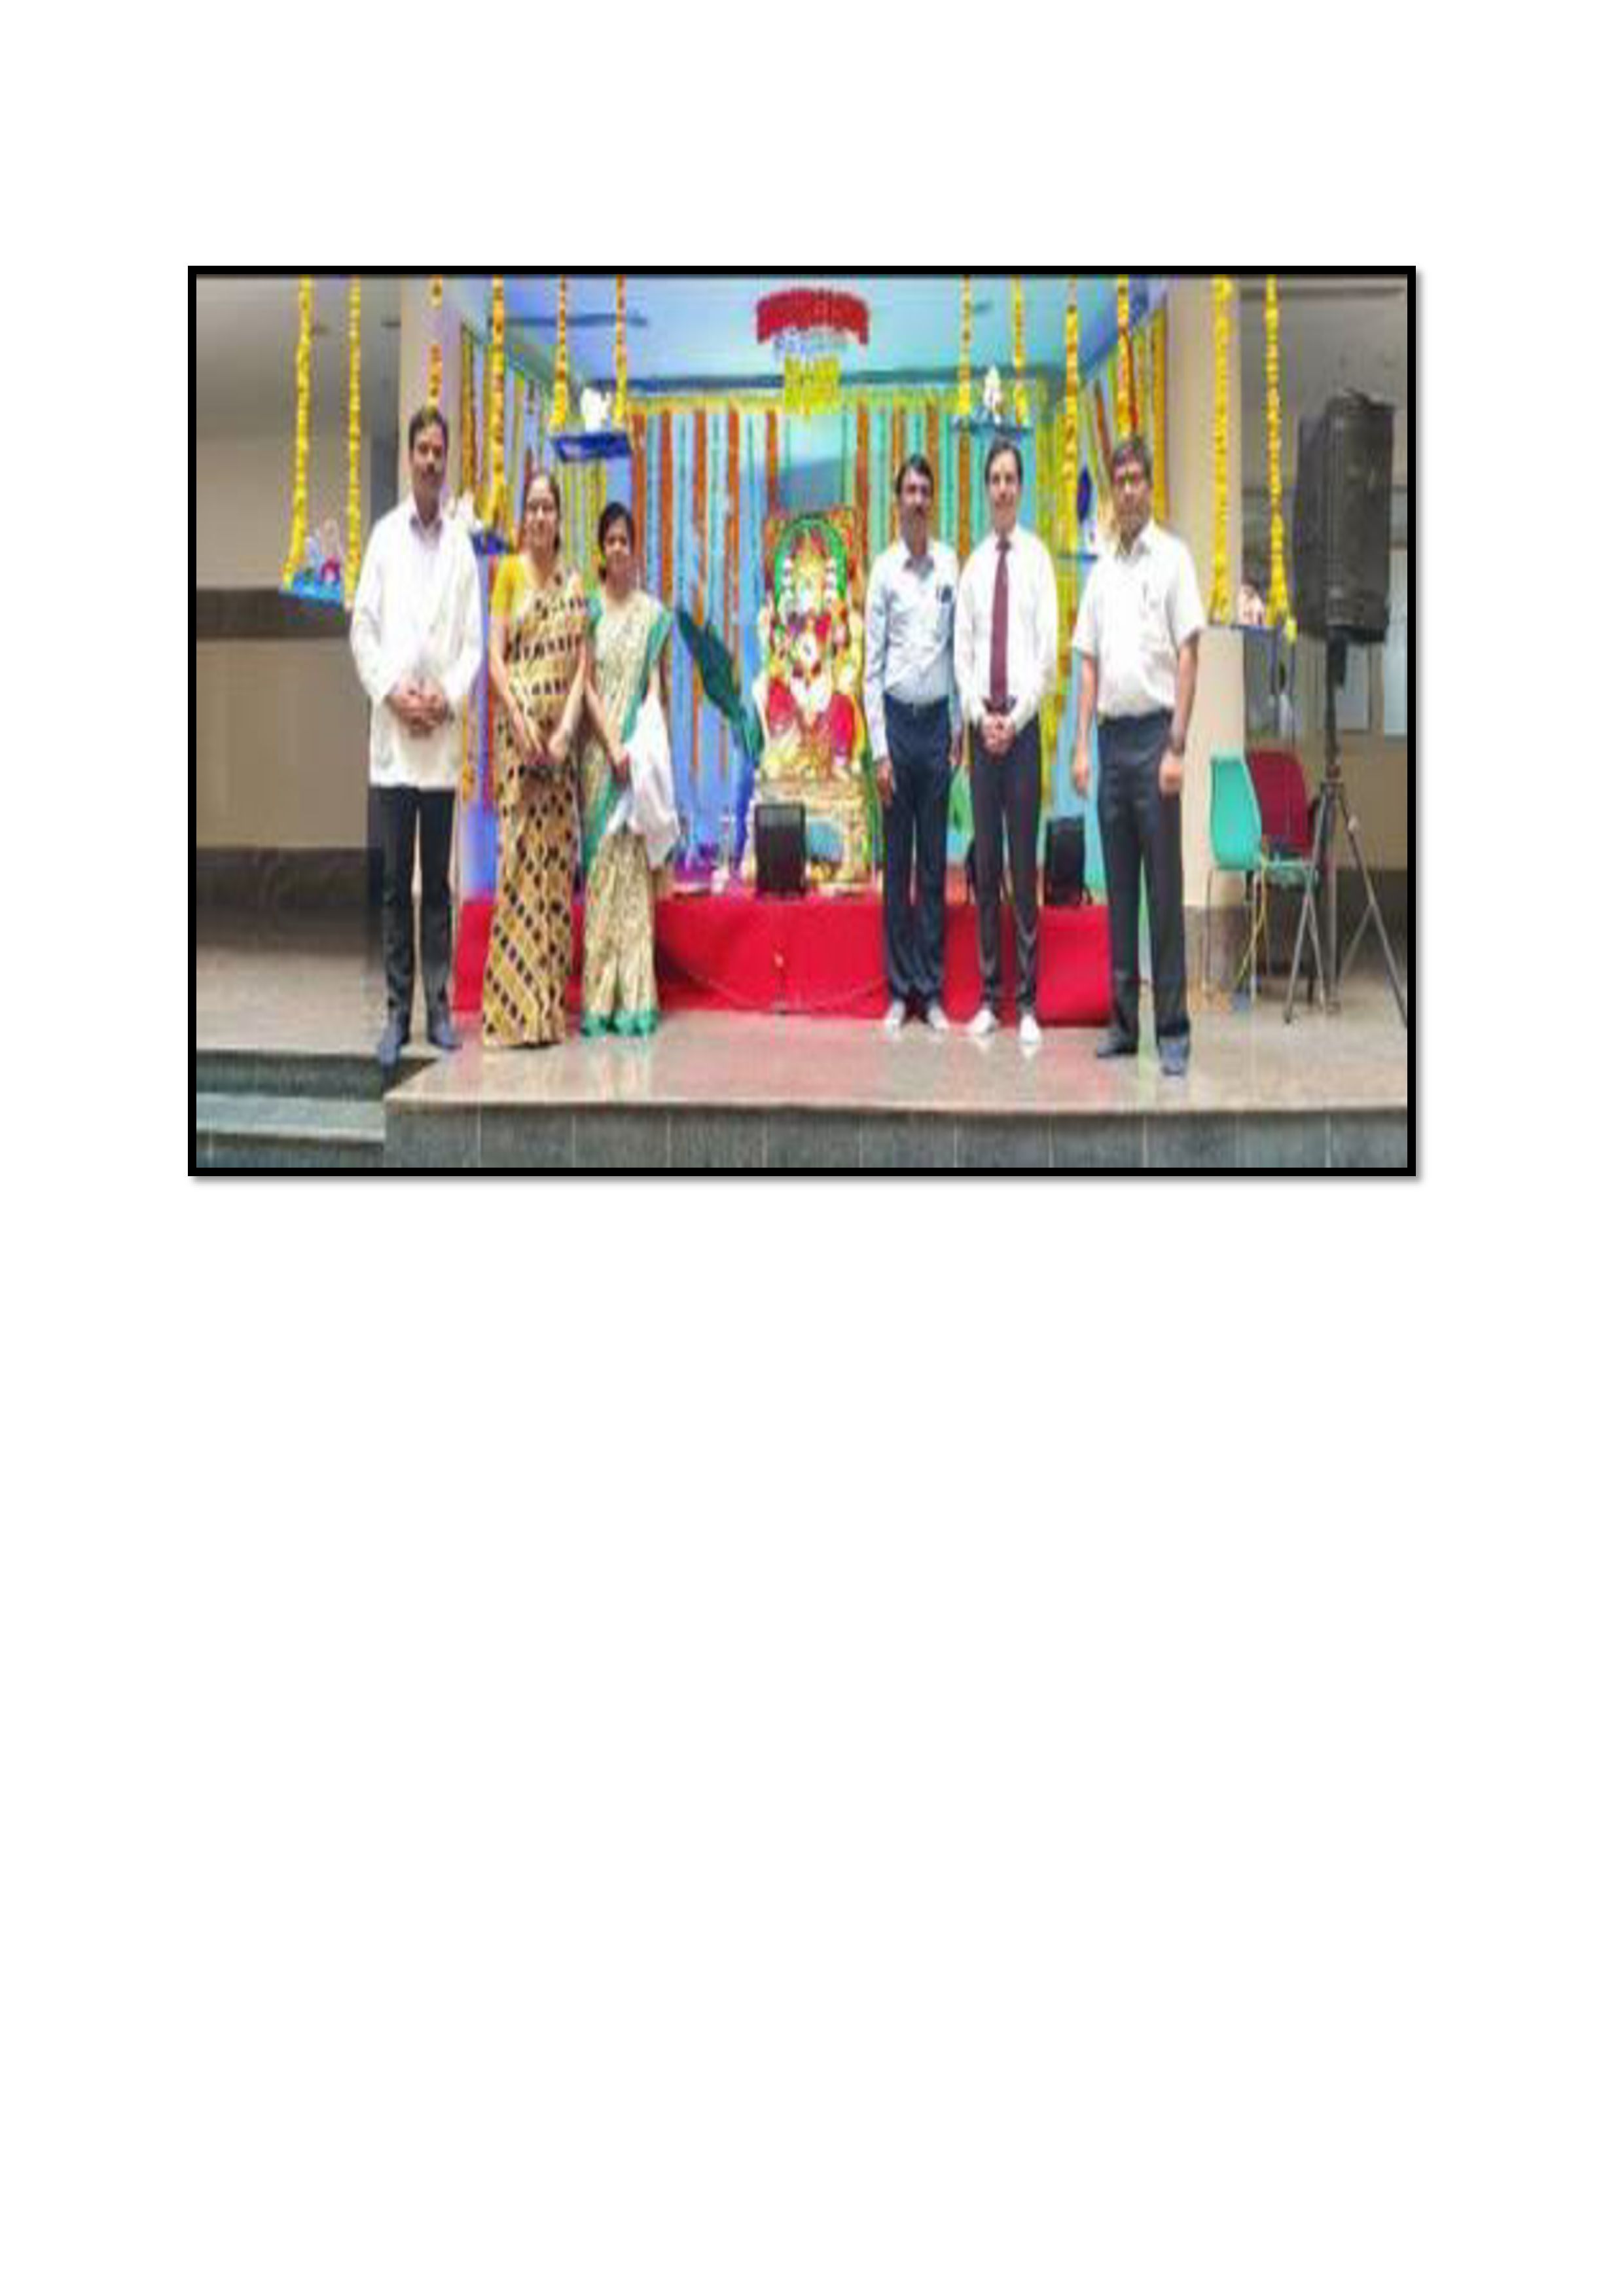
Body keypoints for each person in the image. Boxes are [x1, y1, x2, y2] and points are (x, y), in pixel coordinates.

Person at [349, 405, 482, 1070]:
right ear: (409, 458)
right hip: (396, 745)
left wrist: (445, 697)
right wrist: (393, 694)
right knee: (394, 884)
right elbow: (362, 630)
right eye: (422, 450)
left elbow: (473, 644)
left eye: (438, 451)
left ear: (445, 459)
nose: (431, 460)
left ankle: (440, 1009)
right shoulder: (383, 538)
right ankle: (397, 1013)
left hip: (439, 741)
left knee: (438, 884)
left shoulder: (462, 547)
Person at [1070, 435, 1204, 1077]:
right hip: (1112, 743)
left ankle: (1172, 1030)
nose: (1126, 490)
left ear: (1149, 487)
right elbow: (1088, 664)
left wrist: (1177, 744)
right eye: (1118, 480)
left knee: (1163, 891)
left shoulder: (1173, 560)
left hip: (1155, 742)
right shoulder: (1101, 571)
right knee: (1119, 890)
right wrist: (1080, 746)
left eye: (1135, 479)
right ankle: (1123, 1026)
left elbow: (1189, 654)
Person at [953, 437, 1058, 1050]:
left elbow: (1046, 658)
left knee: (1022, 865)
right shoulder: (972, 568)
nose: (1001, 488)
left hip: (1020, 732)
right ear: (985, 488)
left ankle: (1028, 1004)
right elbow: (963, 655)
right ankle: (990, 999)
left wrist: (1012, 720)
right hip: (980, 728)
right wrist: (978, 716)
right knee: (987, 866)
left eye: (1009, 478)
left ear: (1021, 487)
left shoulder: (1038, 560)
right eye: (993, 479)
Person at [481, 469, 589, 1049]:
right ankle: (510, 1015)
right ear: (523, 518)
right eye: (533, 507)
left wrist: (567, 731)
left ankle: (547, 1012)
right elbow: (495, 659)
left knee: (555, 871)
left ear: (559, 518)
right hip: (519, 748)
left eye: (549, 507)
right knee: (518, 866)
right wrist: (522, 725)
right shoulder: (507, 574)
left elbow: (581, 666)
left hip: (559, 752)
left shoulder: (574, 584)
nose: (540, 516)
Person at [863, 455, 962, 1035]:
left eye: (925, 490)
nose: (918, 499)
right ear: (897, 501)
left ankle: (932, 991)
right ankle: (899, 992)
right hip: (897, 730)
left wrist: (959, 727)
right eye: (910, 490)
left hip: (937, 732)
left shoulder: (950, 565)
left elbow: (958, 653)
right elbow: (870, 669)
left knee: (932, 869)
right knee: (897, 866)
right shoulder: (883, 572)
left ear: (932, 500)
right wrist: (879, 750)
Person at [577, 504, 674, 1037]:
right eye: (610, 540)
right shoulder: (590, 610)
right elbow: (586, 686)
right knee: (601, 876)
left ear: (635, 549)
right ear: (601, 548)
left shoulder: (651, 616)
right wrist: (612, 745)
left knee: (634, 878)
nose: (617, 548)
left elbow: (655, 690)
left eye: (624, 540)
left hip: (636, 759)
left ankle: (636, 997)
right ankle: (598, 999)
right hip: (598, 758)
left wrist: (640, 749)